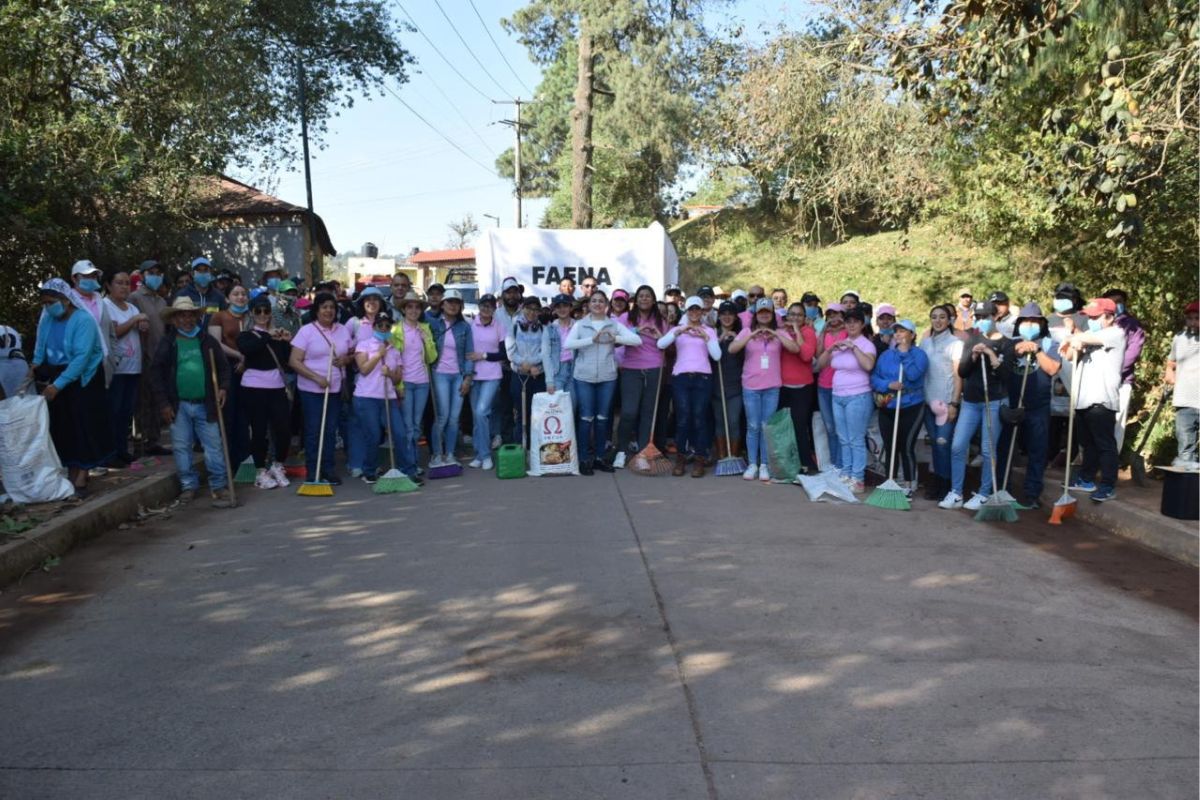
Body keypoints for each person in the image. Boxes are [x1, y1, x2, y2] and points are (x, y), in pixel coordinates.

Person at [32, 278, 114, 497]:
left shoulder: (83, 320)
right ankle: (71, 468)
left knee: (82, 424)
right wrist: (34, 367)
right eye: (45, 303)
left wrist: (57, 386)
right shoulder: (48, 320)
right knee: (62, 425)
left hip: (84, 378)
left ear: (65, 300)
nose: (48, 307)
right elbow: (40, 346)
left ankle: (82, 474)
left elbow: (81, 358)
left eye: (52, 302)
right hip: (58, 374)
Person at [149, 296, 233, 506]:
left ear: (196, 317)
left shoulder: (207, 340)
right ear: (174, 319)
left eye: (190, 315)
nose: (186, 320)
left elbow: (224, 368)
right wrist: (164, 404)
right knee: (181, 446)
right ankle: (188, 485)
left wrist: (223, 388)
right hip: (178, 405)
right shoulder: (168, 342)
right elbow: (156, 374)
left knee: (213, 445)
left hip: (206, 403)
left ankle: (219, 485)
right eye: (181, 316)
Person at [939, 301, 1016, 510]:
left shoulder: (1007, 344)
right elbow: (962, 372)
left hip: (994, 401)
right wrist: (973, 355)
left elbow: (1006, 376)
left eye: (986, 317)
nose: (982, 321)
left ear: (995, 317)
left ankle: (984, 493)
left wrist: (991, 355)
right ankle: (956, 492)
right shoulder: (972, 339)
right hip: (971, 401)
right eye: (978, 317)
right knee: (957, 445)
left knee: (987, 449)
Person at [565, 291, 642, 474]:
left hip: (607, 377)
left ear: (606, 304)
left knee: (602, 419)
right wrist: (592, 339)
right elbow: (568, 344)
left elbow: (636, 340)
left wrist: (615, 338)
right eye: (594, 301)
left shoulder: (613, 324)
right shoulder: (580, 324)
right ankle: (584, 459)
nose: (597, 304)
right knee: (586, 418)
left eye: (601, 301)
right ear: (588, 304)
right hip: (584, 376)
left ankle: (600, 457)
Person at [996, 303, 1061, 509]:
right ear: (1019, 324)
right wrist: (1017, 350)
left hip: (1037, 406)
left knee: (1037, 450)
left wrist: (1038, 350)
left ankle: (1032, 494)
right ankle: (1000, 490)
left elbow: (1052, 369)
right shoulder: (1010, 342)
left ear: (1042, 323)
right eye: (1025, 321)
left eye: (1034, 321)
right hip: (1011, 405)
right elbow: (1002, 364)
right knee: (1005, 448)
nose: (1030, 324)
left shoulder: (1051, 343)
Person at [1061, 298, 1126, 502]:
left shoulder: (1116, 333)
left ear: (1110, 317)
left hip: (1102, 399)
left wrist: (1074, 336)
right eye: (1089, 317)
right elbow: (1069, 355)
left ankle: (1108, 485)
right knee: (1087, 444)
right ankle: (1086, 478)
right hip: (1082, 398)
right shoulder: (1089, 336)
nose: (1091, 320)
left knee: (1105, 444)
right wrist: (1073, 340)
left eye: (1096, 317)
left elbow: (1083, 338)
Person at [730, 298, 801, 482]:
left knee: (766, 426)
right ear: (756, 314)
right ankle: (753, 463)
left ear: (772, 314)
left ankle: (765, 465)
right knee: (753, 425)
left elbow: (795, 348)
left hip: (772, 386)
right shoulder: (747, 331)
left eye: (767, 312)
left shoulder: (779, 332)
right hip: (751, 385)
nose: (764, 315)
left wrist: (774, 334)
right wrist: (750, 336)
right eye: (761, 312)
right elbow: (732, 348)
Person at [288, 292, 353, 485]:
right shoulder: (306, 331)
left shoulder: (342, 330)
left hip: (334, 390)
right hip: (311, 390)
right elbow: (294, 361)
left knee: (330, 430)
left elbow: (350, 354)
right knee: (314, 430)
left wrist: (345, 360)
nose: (328, 311)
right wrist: (316, 377)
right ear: (316, 310)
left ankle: (328, 469)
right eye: (324, 307)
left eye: (332, 307)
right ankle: (313, 470)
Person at [657, 296, 721, 477]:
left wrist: (706, 337)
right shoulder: (678, 328)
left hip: (703, 378)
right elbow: (660, 344)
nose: (694, 313)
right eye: (691, 309)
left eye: (697, 309)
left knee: (699, 418)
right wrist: (679, 331)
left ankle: (700, 459)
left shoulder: (709, 330)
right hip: (681, 377)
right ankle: (681, 458)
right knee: (683, 418)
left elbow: (716, 356)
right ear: (686, 311)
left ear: (702, 312)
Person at [237, 294, 293, 489]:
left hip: (276, 387)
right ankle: (260, 470)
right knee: (259, 431)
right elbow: (249, 350)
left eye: (266, 311)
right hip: (253, 388)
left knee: (283, 429)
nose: (262, 315)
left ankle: (278, 465)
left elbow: (287, 362)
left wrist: (286, 341)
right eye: (258, 311)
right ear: (252, 313)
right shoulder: (246, 335)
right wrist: (268, 335)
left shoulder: (277, 336)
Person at [816, 307, 876, 492]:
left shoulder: (866, 345)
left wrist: (854, 348)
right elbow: (820, 364)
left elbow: (868, 365)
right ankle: (846, 473)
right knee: (843, 438)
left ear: (862, 324)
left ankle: (858, 479)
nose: (851, 325)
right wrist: (831, 348)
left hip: (858, 396)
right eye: (847, 322)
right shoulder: (841, 343)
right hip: (837, 395)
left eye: (855, 322)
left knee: (856, 438)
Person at [349, 310, 411, 484]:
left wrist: (390, 373)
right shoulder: (364, 344)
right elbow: (364, 369)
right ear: (374, 326)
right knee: (374, 435)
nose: (384, 328)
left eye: (387, 325)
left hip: (389, 397)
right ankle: (369, 470)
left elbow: (398, 377)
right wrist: (378, 355)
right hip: (366, 396)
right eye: (380, 325)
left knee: (400, 433)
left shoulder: (395, 348)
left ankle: (407, 469)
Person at [871, 319, 928, 496]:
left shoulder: (919, 355)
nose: (898, 334)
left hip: (911, 406)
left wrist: (905, 354)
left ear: (912, 335)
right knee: (890, 446)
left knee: (906, 446)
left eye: (903, 331)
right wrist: (888, 384)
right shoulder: (886, 355)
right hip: (888, 406)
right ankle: (891, 481)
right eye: (896, 331)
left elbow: (913, 375)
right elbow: (874, 378)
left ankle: (910, 484)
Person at [613, 286, 667, 469]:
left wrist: (659, 335)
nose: (644, 299)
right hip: (631, 369)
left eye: (648, 296)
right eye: (641, 296)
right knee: (629, 411)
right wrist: (636, 330)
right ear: (636, 300)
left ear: (653, 300)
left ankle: (644, 454)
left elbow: (667, 345)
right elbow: (616, 339)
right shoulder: (625, 318)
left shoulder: (661, 320)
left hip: (654, 368)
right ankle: (621, 450)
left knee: (648, 413)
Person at [102, 271, 148, 466]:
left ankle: (122, 450)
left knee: (126, 413)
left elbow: (140, 332)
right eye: (119, 283)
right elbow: (114, 333)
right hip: (116, 369)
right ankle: (110, 454)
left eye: (127, 283)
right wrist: (134, 321)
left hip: (133, 367)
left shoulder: (131, 307)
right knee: (113, 411)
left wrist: (143, 324)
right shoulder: (105, 306)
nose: (124, 287)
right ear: (108, 285)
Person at [919, 304, 964, 500]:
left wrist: (954, 403)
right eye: (934, 317)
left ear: (949, 320)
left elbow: (957, 375)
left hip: (946, 402)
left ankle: (947, 484)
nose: (938, 321)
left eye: (942, 317)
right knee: (935, 445)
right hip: (928, 401)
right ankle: (937, 481)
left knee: (943, 443)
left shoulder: (956, 343)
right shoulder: (926, 343)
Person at [428, 289, 474, 468]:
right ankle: (436, 454)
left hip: (458, 375)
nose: (453, 305)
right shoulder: (433, 323)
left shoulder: (465, 327)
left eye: (456, 302)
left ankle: (450, 453)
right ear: (442, 304)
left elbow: (469, 354)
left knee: (454, 418)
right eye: (449, 302)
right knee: (443, 416)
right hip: (439, 373)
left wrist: (468, 379)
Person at [392, 291, 436, 474]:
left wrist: (427, 341)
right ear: (403, 309)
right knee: (407, 426)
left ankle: (414, 463)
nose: (413, 310)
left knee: (417, 426)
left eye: (417, 307)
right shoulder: (396, 330)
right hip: (406, 382)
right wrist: (399, 386)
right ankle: (408, 464)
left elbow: (432, 358)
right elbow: (394, 359)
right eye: (409, 306)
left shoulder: (425, 328)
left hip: (423, 382)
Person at [1100, 288, 1144, 452]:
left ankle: (1110, 463)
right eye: (1112, 302)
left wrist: (1113, 370)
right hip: (1098, 381)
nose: (1116, 305)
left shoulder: (1133, 325)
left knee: (1117, 424)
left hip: (1122, 381)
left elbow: (1132, 353)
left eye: (1119, 301)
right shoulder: (1098, 323)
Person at [779, 303, 819, 474]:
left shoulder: (809, 332)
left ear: (804, 318)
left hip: (802, 387)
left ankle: (805, 463)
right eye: (792, 314)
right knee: (782, 427)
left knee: (799, 426)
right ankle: (785, 463)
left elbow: (806, 355)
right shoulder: (780, 331)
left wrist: (797, 332)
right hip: (781, 386)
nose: (795, 317)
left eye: (799, 315)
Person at [467, 294, 505, 469]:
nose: (486, 308)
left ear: (494, 308)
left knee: (482, 412)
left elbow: (503, 354)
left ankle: (485, 454)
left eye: (490, 306)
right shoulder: (470, 325)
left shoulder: (499, 326)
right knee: (477, 417)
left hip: (492, 375)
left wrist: (483, 356)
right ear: (479, 306)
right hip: (473, 375)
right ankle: (479, 454)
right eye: (483, 305)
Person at [69, 260, 117, 386]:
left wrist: (114, 357)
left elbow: (110, 332)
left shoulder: (100, 300)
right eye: (86, 276)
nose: (91, 279)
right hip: (77, 367)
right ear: (74, 279)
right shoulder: (68, 302)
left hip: (102, 365)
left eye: (93, 276)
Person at [506, 296, 546, 446]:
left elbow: (544, 352)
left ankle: (535, 448)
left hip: (537, 376)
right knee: (521, 413)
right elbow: (510, 352)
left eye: (536, 309)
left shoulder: (543, 329)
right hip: (519, 375)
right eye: (529, 308)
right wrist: (524, 364)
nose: (532, 312)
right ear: (523, 309)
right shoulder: (514, 326)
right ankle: (521, 446)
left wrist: (534, 366)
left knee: (537, 414)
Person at [814, 303, 849, 474]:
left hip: (842, 387)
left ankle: (842, 465)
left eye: (838, 315)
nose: (834, 319)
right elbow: (818, 354)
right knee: (830, 427)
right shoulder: (825, 333)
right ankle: (835, 464)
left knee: (841, 427)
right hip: (824, 385)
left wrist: (845, 326)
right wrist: (822, 332)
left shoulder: (848, 333)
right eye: (831, 315)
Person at [1166, 301, 1200, 466]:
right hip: (1185, 400)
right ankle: (1189, 488)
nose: (1193, 322)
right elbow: (1171, 362)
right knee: (1186, 447)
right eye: (1190, 318)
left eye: (1197, 318)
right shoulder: (1179, 339)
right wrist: (1169, 373)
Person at [712, 301, 745, 462]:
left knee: (733, 420)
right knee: (719, 421)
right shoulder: (712, 333)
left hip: (735, 387)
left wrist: (737, 340)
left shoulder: (742, 334)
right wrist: (719, 340)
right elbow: (707, 356)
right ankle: (721, 456)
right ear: (719, 316)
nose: (726, 317)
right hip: (716, 386)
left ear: (735, 316)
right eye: (723, 314)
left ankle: (734, 455)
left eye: (730, 314)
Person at [542, 293, 576, 400]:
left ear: (570, 307)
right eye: (558, 307)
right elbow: (545, 355)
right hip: (557, 372)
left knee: (573, 405)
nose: (562, 309)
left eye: (565, 306)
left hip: (575, 371)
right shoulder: (549, 329)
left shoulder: (578, 326)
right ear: (555, 310)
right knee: (558, 407)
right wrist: (549, 381)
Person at [179, 257, 228, 325]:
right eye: (199, 270)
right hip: (189, 335)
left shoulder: (219, 296)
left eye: (206, 270)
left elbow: (224, 321)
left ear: (210, 272)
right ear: (192, 274)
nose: (202, 273)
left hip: (213, 335)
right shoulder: (182, 295)